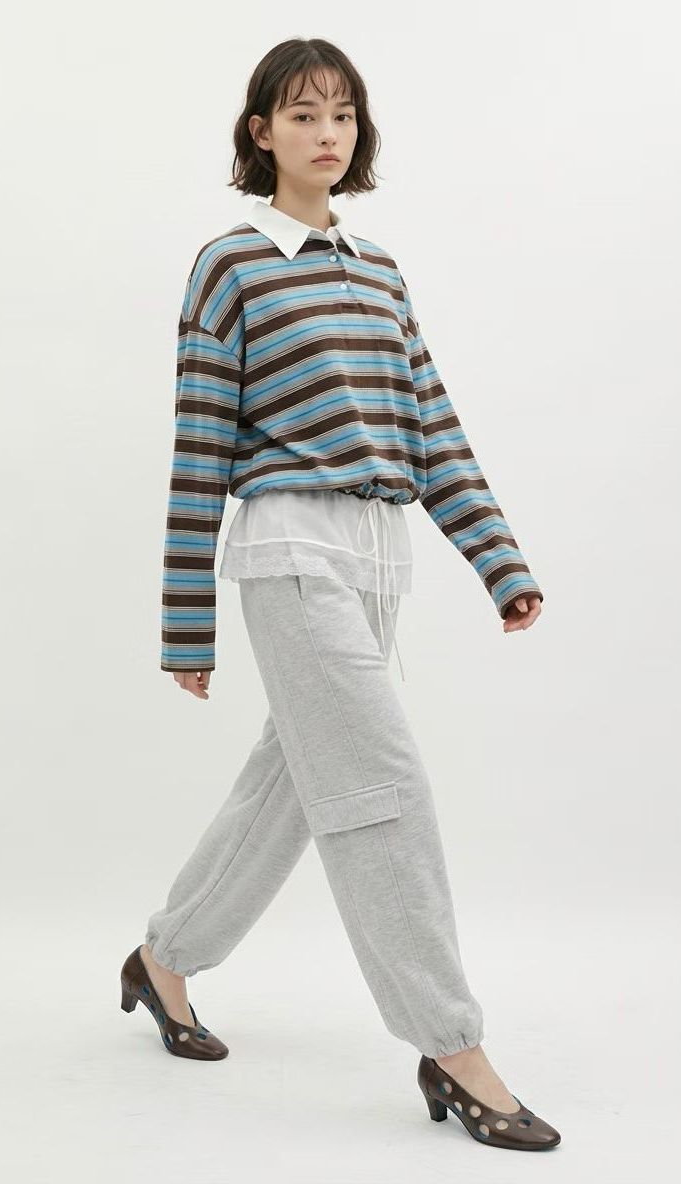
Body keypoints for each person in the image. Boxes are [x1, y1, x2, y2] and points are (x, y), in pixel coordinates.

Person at [119, 38, 560, 1152]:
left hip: (376, 561)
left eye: (344, 115)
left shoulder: (379, 271)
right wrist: (187, 622)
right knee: (382, 787)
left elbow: (433, 424)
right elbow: (200, 449)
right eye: (302, 114)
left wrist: (499, 560)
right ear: (260, 132)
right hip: (289, 554)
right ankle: (451, 1045)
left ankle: (164, 958)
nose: (327, 133)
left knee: (292, 790)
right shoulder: (231, 266)